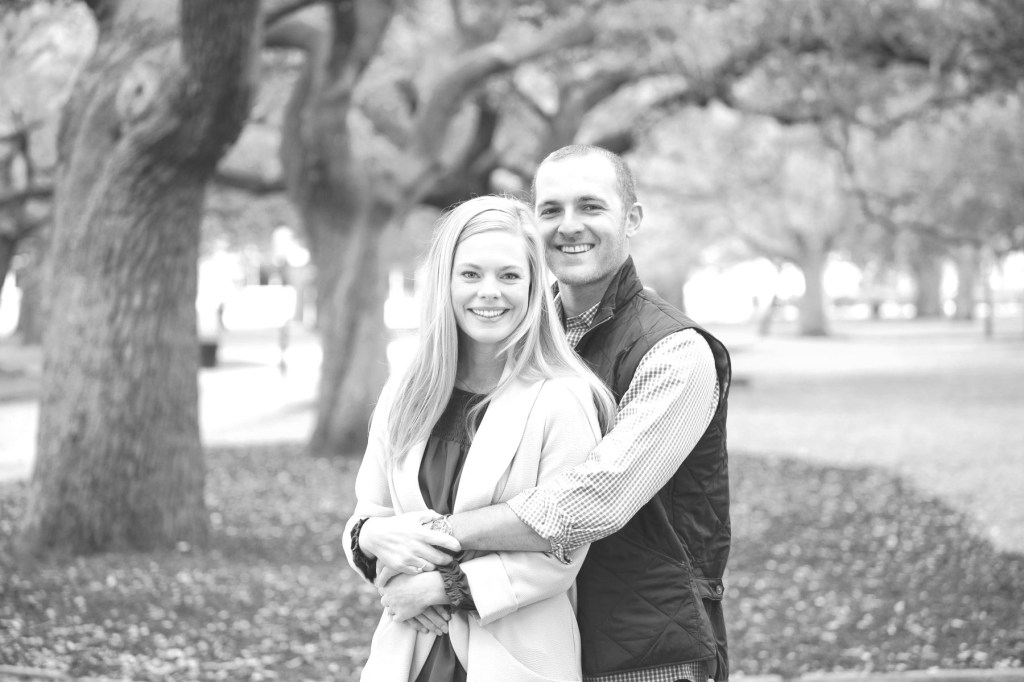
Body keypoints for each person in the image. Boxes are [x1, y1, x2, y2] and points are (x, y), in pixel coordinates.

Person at [362, 145, 733, 682]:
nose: (569, 225)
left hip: (643, 645)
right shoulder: (514, 339)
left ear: (632, 219)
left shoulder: (674, 352)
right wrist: (372, 537)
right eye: (551, 209)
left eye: (591, 206)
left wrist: (426, 541)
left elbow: (593, 500)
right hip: (529, 632)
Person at [344, 194, 618, 681]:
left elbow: (563, 547)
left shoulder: (564, 398)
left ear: (534, 287)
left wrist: (442, 587)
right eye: (470, 274)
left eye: (509, 276)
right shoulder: (406, 390)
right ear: (445, 283)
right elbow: (371, 514)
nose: (489, 292)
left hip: (514, 655)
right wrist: (369, 538)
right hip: (410, 651)